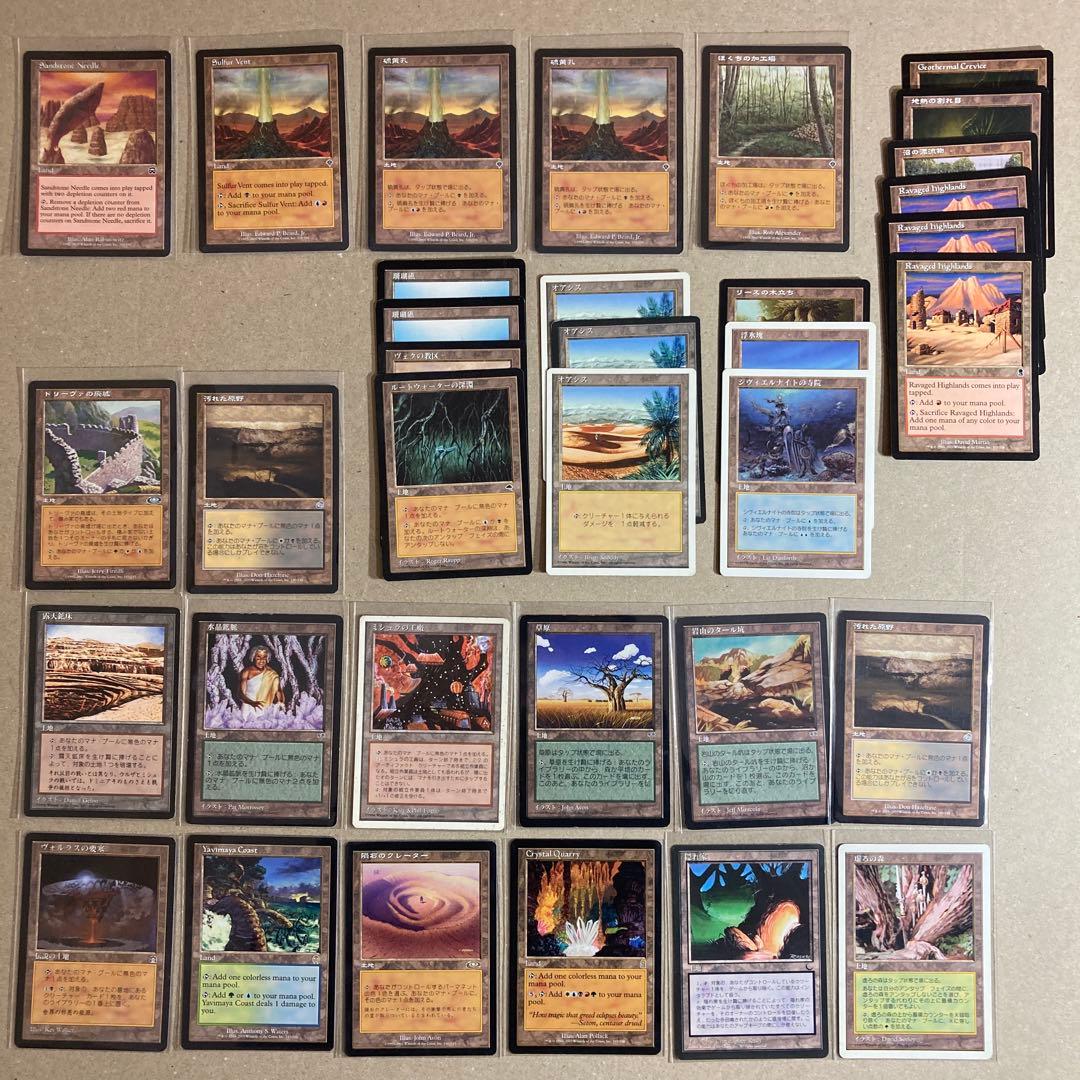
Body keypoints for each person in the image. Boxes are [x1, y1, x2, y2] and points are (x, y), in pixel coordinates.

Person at [238, 646, 284, 715]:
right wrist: (252, 703)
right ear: (253, 657)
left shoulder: (272, 674)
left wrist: (281, 703)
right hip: (248, 707)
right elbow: (241, 693)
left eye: (264, 658)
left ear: (267, 659)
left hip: (264, 708)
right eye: (258, 658)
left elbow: (278, 691)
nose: (261, 661)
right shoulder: (246, 672)